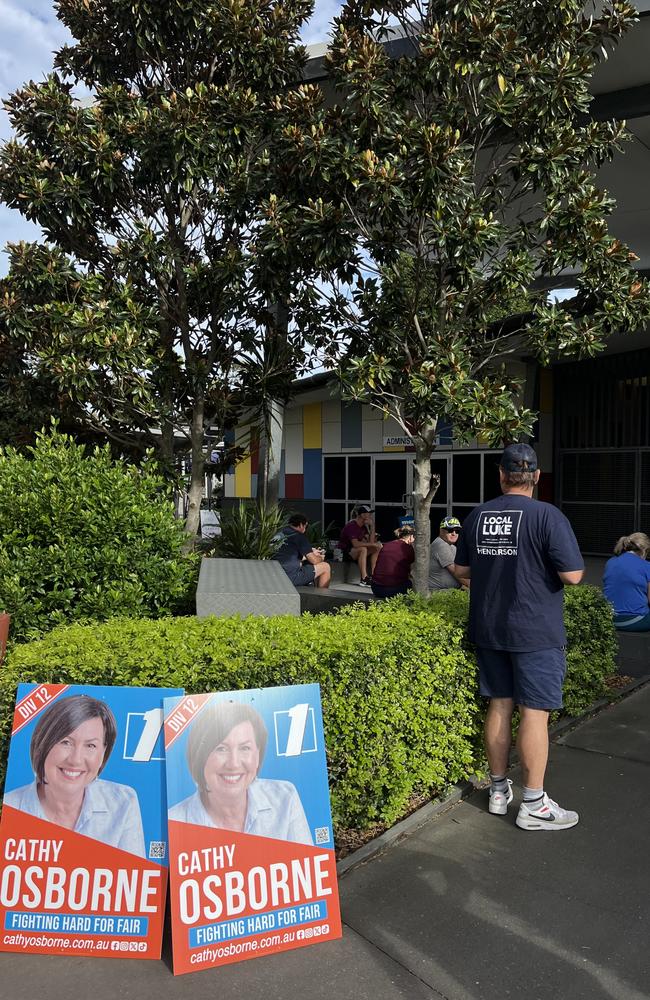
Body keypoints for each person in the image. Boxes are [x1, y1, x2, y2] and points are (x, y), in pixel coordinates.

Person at [455, 443, 584, 832]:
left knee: (499, 705)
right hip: (535, 632)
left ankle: (498, 791)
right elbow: (573, 575)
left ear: (501, 475)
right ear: (536, 477)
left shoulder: (477, 516)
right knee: (534, 713)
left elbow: (461, 570)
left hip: (490, 628)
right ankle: (534, 804)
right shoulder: (548, 516)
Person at [3, 694, 146, 856]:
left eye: (90, 745)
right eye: (66, 742)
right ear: (43, 744)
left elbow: (134, 878)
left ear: (104, 752)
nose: (75, 760)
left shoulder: (123, 802)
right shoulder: (11, 806)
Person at [169, 700, 313, 844]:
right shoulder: (175, 820)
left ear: (258, 755)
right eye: (221, 749)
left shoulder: (284, 798)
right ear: (200, 757)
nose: (234, 764)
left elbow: (309, 864)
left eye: (244, 748)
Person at [603, 532, 650, 631]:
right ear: (644, 550)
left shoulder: (610, 562)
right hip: (636, 620)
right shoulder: (646, 566)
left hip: (609, 619)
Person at [273, 512, 331, 588]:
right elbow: (314, 561)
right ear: (301, 524)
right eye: (305, 526)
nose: (305, 530)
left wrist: (311, 552)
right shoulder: (298, 536)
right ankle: (322, 598)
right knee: (325, 567)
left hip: (274, 575)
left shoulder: (279, 534)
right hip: (290, 577)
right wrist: (321, 558)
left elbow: (288, 556)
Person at [339, 505, 382, 586]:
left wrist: (372, 526)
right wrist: (372, 544)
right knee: (363, 549)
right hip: (345, 553)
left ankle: (373, 576)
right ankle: (364, 579)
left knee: (376, 548)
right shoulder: (351, 525)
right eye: (369, 513)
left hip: (356, 552)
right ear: (362, 515)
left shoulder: (363, 527)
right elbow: (355, 544)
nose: (370, 516)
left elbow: (371, 541)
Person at [371, 526, 415, 598]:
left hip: (376, 588)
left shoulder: (386, 545)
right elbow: (412, 567)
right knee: (411, 583)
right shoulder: (408, 548)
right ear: (411, 537)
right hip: (393, 590)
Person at [429, 515, 469, 590]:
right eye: (450, 530)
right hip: (439, 592)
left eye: (457, 531)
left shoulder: (452, 547)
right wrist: (475, 586)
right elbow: (457, 572)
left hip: (450, 591)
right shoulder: (441, 545)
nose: (454, 533)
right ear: (441, 530)